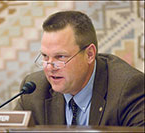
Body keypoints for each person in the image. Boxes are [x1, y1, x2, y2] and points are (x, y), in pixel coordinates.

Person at [14, 10, 144, 126]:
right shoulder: (34, 89)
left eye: (60, 57)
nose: (49, 67)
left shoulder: (129, 88)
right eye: (45, 56)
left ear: (89, 54)